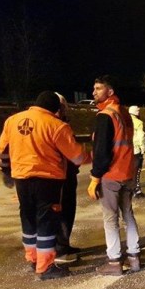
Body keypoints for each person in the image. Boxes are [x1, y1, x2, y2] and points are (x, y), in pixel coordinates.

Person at [0, 91, 90, 280]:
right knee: (47, 220)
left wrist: (7, 170)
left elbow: (2, 151)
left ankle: (32, 259)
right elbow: (76, 157)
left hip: (21, 179)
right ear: (56, 108)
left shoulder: (12, 121)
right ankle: (46, 266)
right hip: (47, 180)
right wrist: (92, 156)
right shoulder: (56, 126)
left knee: (28, 217)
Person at [88, 75, 141, 275]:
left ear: (109, 92)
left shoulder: (105, 116)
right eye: (94, 88)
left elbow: (102, 152)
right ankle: (134, 258)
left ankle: (114, 262)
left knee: (110, 218)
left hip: (111, 175)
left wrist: (94, 179)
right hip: (127, 172)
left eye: (99, 88)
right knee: (128, 215)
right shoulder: (124, 113)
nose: (94, 92)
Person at [54, 93, 81, 263]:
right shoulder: (56, 125)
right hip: (60, 176)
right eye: (63, 106)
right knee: (61, 211)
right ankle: (59, 248)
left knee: (69, 210)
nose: (65, 109)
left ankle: (64, 242)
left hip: (68, 173)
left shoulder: (63, 123)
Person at [128, 105, 145, 198]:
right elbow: (141, 137)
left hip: (126, 150)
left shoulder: (124, 121)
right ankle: (137, 190)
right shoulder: (138, 122)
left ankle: (127, 190)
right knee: (137, 171)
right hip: (136, 150)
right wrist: (143, 148)